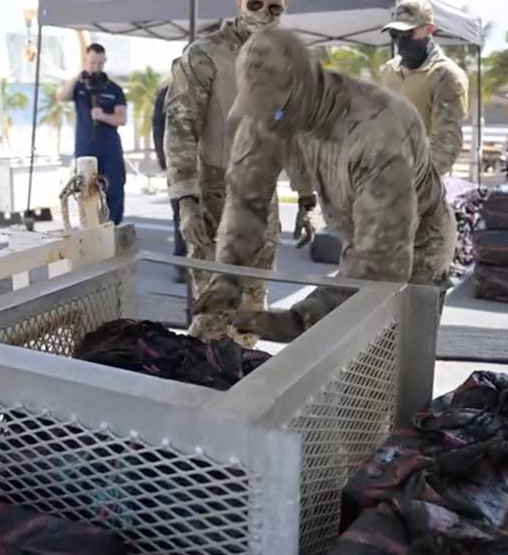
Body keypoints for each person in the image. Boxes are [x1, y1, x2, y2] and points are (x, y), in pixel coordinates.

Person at [193, 28, 457, 343]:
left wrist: (297, 320)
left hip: (415, 247)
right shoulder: (267, 115)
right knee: (336, 363)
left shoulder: (377, 129)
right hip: (359, 236)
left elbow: (381, 267)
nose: (267, 125)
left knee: (381, 359)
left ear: (306, 89)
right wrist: (227, 279)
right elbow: (245, 204)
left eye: (276, 111)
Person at [166, 0, 312, 347]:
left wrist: (306, 197)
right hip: (214, 198)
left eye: (275, 8)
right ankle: (197, 396)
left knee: (251, 316)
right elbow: (181, 126)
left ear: (287, 4)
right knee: (213, 318)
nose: (265, 16)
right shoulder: (204, 54)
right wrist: (186, 200)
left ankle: (240, 392)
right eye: (256, 5)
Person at [380, 0, 469, 181]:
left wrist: (416, 185)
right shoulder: (390, 70)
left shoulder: (446, 76)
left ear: (429, 29)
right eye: (394, 34)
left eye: (407, 33)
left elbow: (446, 143)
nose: (400, 40)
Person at [57, 43, 129, 224]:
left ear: (104, 62)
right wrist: (78, 76)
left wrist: (103, 116)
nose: (96, 67)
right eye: (92, 63)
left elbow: (121, 118)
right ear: (86, 62)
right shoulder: (79, 87)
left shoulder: (114, 89)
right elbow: (61, 96)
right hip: (85, 148)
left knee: (115, 188)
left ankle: (113, 225)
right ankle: (89, 226)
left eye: (99, 63)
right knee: (87, 191)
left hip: (109, 148)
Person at [152, 81, 187, 283]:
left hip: (206, 165)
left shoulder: (212, 84)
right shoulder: (166, 91)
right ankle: (182, 265)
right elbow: (158, 126)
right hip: (178, 165)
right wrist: (164, 162)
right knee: (181, 215)